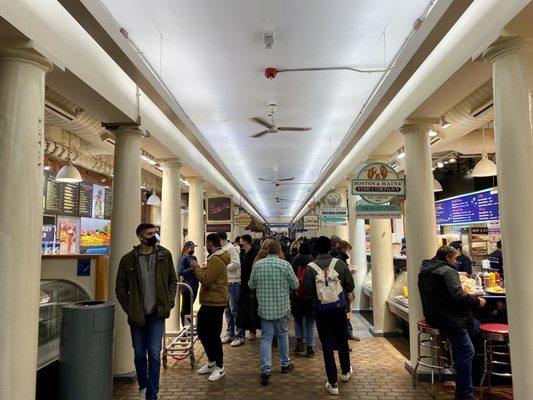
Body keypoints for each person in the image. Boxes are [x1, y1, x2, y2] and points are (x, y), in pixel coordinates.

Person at [115, 223, 178, 400]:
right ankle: (143, 385)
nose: (154, 236)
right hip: (137, 316)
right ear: (141, 237)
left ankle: (152, 394)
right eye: (150, 233)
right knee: (139, 353)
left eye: (155, 233)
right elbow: (120, 287)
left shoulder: (165, 255)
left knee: (154, 352)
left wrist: (169, 302)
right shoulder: (128, 260)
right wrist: (129, 307)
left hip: (157, 314)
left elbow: (172, 281)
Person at [418, 245, 486, 400]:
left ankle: (461, 383)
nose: (456, 261)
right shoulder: (447, 271)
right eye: (455, 258)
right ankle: (464, 394)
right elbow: (459, 295)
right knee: (467, 351)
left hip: (433, 315)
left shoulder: (426, 269)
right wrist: (477, 301)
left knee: (462, 348)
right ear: (448, 257)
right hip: (449, 319)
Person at [302, 236, 355, 396]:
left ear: (317, 249)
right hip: (339, 309)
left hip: (321, 310)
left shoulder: (310, 267)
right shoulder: (339, 264)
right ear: (331, 248)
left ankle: (333, 383)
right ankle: (345, 372)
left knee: (327, 344)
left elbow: (306, 290)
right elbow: (350, 285)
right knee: (342, 338)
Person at [249, 240, 299, 386]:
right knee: (283, 336)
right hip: (282, 308)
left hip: (264, 308)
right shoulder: (285, 265)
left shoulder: (258, 265)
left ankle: (265, 370)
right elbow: (296, 284)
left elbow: (250, 285)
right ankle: (284, 364)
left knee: (266, 338)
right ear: (279, 252)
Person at [191, 233, 230, 382]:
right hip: (210, 301)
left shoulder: (216, 261)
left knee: (212, 335)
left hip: (214, 302)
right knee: (202, 332)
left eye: (206, 243)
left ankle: (220, 367)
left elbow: (205, 280)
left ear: (210, 244)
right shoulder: (214, 260)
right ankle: (212, 362)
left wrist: (196, 267)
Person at [218, 232, 245, 347]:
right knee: (227, 310)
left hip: (233, 283)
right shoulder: (223, 250)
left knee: (235, 310)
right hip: (225, 283)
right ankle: (230, 333)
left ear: (220, 239)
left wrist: (222, 267)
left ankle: (240, 335)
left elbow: (236, 264)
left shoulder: (231, 249)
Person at [290, 242, 316, 357]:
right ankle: (310, 347)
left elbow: (291, 278)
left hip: (297, 296)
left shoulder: (295, 261)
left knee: (298, 321)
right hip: (310, 297)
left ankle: (299, 343)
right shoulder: (313, 263)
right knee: (310, 323)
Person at [237, 234, 260, 340]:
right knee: (243, 308)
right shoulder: (242, 253)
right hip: (242, 284)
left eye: (241, 240)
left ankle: (252, 330)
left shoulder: (255, 253)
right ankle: (245, 329)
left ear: (245, 241)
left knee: (252, 307)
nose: (239, 242)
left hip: (252, 285)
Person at [339, 240, 360, 342]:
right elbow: (345, 276)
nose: (348, 252)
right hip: (345, 290)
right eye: (347, 250)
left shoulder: (341, 258)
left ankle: (348, 331)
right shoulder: (341, 259)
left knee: (348, 311)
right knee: (347, 311)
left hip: (344, 290)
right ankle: (347, 332)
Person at [178, 241, 199, 326]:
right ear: (186, 248)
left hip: (194, 285)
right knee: (185, 308)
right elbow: (180, 271)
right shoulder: (183, 258)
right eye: (192, 248)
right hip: (187, 286)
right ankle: (185, 327)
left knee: (189, 308)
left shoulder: (193, 257)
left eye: (194, 248)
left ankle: (188, 327)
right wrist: (191, 269)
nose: (193, 249)